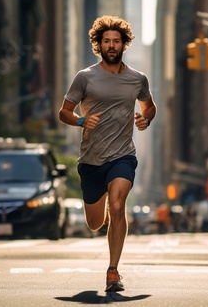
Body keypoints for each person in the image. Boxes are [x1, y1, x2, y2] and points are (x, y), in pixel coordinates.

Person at [58, 15, 157, 292]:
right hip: (91, 159)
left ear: (124, 44)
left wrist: (145, 119)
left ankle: (113, 270)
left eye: (116, 41)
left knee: (117, 206)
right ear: (98, 44)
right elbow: (64, 111)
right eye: (106, 41)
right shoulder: (85, 77)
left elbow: (150, 107)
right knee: (94, 223)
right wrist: (80, 120)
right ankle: (100, 211)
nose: (111, 45)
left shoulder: (137, 79)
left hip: (123, 155)